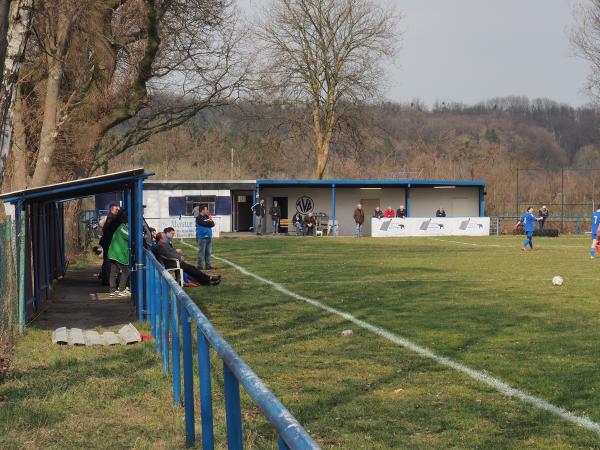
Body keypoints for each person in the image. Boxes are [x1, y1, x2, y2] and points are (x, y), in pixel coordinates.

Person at [154, 232, 221, 286]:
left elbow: (172, 251)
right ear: (160, 239)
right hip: (172, 263)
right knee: (193, 270)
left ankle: (207, 281)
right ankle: (209, 279)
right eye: (164, 237)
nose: (166, 238)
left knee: (193, 269)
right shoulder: (160, 246)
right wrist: (179, 257)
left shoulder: (163, 244)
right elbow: (168, 255)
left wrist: (179, 256)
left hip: (175, 262)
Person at [107, 210, 130, 297]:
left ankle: (112, 290)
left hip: (114, 253)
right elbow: (129, 236)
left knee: (114, 271)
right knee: (126, 272)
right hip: (117, 254)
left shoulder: (121, 227)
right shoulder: (122, 228)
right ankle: (121, 289)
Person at [98, 203, 121, 285]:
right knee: (108, 261)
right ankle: (107, 280)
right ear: (112, 209)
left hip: (107, 242)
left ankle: (105, 279)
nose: (118, 211)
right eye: (116, 210)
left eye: (118, 210)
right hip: (109, 243)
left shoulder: (110, 217)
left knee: (106, 261)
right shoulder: (112, 218)